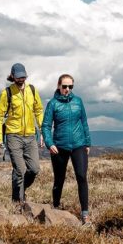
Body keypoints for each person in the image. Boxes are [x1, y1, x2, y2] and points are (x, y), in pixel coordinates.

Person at [42, 73, 92, 224]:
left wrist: (87, 143)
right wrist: (50, 143)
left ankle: (85, 214)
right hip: (59, 147)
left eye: (70, 86)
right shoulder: (52, 104)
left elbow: (84, 122)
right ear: (59, 86)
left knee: (82, 177)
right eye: (64, 86)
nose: (67, 89)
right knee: (59, 179)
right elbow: (45, 126)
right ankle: (56, 207)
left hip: (78, 145)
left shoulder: (78, 101)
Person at [0, 62, 44, 207]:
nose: (21, 79)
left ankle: (19, 190)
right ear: (13, 77)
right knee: (20, 170)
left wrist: (43, 131)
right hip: (13, 135)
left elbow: (39, 111)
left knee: (34, 169)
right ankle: (18, 202)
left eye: (23, 77)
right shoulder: (7, 93)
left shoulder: (32, 90)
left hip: (30, 135)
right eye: (18, 77)